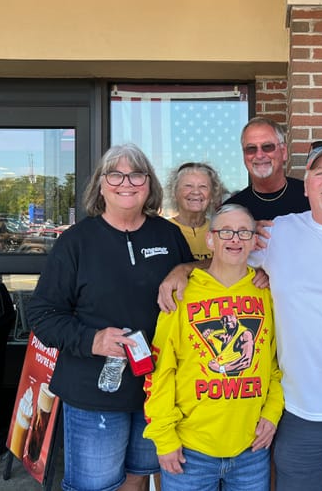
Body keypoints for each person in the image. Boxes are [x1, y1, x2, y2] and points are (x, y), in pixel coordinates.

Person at [159, 140, 322, 491]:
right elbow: (228, 256)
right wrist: (184, 269)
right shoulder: (278, 234)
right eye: (320, 173)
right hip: (299, 412)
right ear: (307, 184)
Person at [26, 143, 193, 491]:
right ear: (101, 186)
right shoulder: (76, 242)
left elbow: (200, 284)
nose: (126, 182)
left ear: (149, 184)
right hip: (94, 392)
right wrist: (94, 340)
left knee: (138, 476)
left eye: (136, 173)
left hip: (156, 391)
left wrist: (186, 266)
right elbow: (42, 314)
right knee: (96, 486)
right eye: (114, 174)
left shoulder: (168, 235)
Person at [144, 204, 283, 491]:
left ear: (254, 240)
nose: (235, 239)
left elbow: (277, 364)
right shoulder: (181, 293)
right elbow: (160, 371)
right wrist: (164, 437)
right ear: (211, 239)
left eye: (244, 232)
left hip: (251, 448)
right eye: (226, 232)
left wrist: (272, 413)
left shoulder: (268, 293)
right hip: (190, 450)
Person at [223, 117, 309, 220]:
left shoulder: (310, 197)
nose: (259, 155)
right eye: (251, 148)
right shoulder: (232, 209)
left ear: (284, 152)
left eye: (267, 146)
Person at [166, 162, 224, 260]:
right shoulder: (162, 231)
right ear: (174, 193)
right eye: (188, 186)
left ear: (213, 195)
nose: (196, 192)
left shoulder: (220, 231)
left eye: (203, 186)